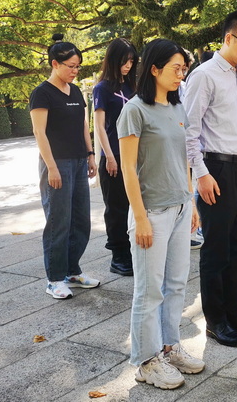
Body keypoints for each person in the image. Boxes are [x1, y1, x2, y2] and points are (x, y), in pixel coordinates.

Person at [118, 39, 204, 390]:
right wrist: (139, 217)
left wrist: (191, 201)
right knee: (149, 290)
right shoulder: (134, 110)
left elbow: (184, 158)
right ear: (154, 69)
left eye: (184, 68)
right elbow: (127, 168)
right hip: (151, 212)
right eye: (176, 68)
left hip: (180, 207)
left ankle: (170, 347)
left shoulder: (177, 107)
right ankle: (146, 361)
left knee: (176, 284)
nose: (181, 74)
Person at [184, 10, 237, 348]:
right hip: (215, 170)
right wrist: (201, 174)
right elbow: (189, 131)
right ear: (229, 38)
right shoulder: (204, 76)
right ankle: (215, 319)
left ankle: (232, 311)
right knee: (216, 248)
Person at [29, 34, 100, 300]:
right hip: (56, 164)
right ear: (55, 64)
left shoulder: (76, 91)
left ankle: (72, 271)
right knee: (59, 222)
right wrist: (51, 168)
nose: (75, 70)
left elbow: (83, 124)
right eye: (70, 66)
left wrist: (90, 155)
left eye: (78, 66)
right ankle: (54, 279)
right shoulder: (42, 93)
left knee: (81, 220)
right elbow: (39, 133)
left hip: (79, 161)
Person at [93, 38, 138, 276]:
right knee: (116, 208)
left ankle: (134, 251)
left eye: (131, 61)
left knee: (135, 205)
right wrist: (109, 157)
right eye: (124, 61)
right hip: (114, 157)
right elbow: (99, 126)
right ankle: (118, 256)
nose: (128, 65)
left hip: (135, 156)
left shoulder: (133, 87)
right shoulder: (102, 88)